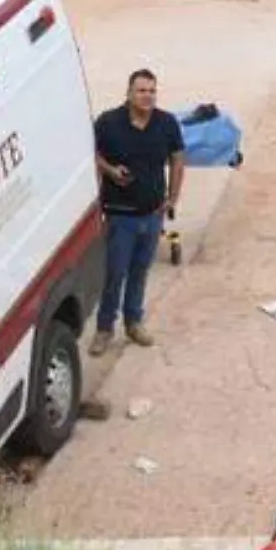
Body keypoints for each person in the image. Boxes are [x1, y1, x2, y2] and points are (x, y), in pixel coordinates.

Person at [90, 69, 185, 355]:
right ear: (129, 93)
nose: (148, 96)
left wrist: (173, 198)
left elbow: (178, 159)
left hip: (153, 214)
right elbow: (91, 153)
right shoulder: (108, 123)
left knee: (140, 271)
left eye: (152, 91)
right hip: (121, 216)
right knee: (115, 273)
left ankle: (134, 323)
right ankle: (104, 329)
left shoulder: (166, 123)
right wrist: (109, 170)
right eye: (142, 91)